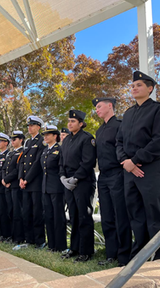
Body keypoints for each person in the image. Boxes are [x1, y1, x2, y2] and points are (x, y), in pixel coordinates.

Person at [116, 71, 160, 260]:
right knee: (136, 217)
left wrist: (135, 160)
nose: (134, 88)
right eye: (132, 86)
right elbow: (119, 142)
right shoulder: (128, 113)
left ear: (150, 88)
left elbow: (159, 141)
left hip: (151, 171)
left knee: (155, 216)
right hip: (130, 173)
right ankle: (139, 258)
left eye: (138, 85)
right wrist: (126, 162)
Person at [93, 97, 132, 267]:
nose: (97, 109)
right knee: (107, 216)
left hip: (118, 174)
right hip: (103, 176)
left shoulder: (120, 125)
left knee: (120, 215)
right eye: (96, 107)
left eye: (99, 106)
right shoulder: (100, 130)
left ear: (110, 106)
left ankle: (124, 255)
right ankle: (111, 253)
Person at [60, 109, 96, 263]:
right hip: (68, 183)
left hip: (82, 183)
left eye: (73, 121)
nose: (70, 123)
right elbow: (61, 160)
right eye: (69, 121)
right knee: (73, 216)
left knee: (83, 216)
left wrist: (75, 178)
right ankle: (74, 247)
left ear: (81, 124)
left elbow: (88, 162)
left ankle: (86, 251)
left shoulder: (87, 139)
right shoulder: (67, 140)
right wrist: (62, 177)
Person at [18, 115, 46, 248]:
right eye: (28, 125)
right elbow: (22, 161)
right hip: (25, 184)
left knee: (37, 212)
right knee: (26, 212)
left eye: (32, 125)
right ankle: (29, 240)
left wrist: (27, 179)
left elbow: (37, 163)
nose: (29, 128)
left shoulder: (42, 141)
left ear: (38, 127)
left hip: (35, 183)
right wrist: (20, 179)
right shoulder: (27, 142)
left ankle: (39, 240)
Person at [40, 125, 67, 252]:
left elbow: (61, 167)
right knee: (48, 216)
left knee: (58, 217)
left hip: (56, 187)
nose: (45, 137)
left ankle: (60, 245)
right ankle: (51, 244)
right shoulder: (45, 151)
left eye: (48, 134)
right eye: (44, 135)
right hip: (46, 187)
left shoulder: (59, 149)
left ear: (55, 136)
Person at [2, 130, 26, 245]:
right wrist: (3, 180)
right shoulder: (10, 153)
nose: (12, 141)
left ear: (21, 140)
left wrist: (7, 180)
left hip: (15, 186)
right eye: (11, 139)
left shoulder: (22, 152)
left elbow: (18, 170)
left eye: (14, 139)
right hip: (7, 187)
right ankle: (12, 235)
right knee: (10, 211)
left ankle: (19, 237)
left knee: (17, 212)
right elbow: (4, 168)